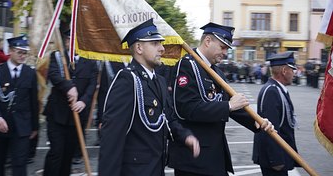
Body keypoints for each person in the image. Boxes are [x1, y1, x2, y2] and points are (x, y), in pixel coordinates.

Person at [168, 22, 274, 176]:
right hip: (193, 159)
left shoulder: (216, 71)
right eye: (222, 47)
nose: (225, 52)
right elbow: (186, 109)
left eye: (227, 48)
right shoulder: (186, 66)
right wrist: (228, 106)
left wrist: (256, 121)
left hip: (214, 156)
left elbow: (233, 104)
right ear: (208, 41)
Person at [99, 19, 200, 176]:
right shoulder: (127, 80)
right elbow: (111, 139)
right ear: (139, 48)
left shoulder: (158, 80)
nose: (162, 49)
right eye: (155, 43)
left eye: (160, 43)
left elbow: (168, 118)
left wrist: (186, 136)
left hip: (156, 168)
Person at [42, 30, 98, 176]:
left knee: (68, 154)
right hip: (57, 114)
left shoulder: (90, 59)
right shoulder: (58, 57)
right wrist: (69, 87)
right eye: (70, 40)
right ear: (66, 42)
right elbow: (53, 75)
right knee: (56, 152)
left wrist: (84, 102)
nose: (72, 44)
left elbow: (92, 84)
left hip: (77, 115)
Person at [0, 35, 39, 176]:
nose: (22, 56)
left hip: (22, 127)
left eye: (25, 53)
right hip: (1, 126)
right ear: (10, 51)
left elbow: (33, 101)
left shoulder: (30, 72)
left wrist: (35, 126)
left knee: (20, 164)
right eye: (19, 52)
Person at [253, 52, 299, 176]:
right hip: (273, 160)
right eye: (292, 69)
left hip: (280, 154)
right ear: (284, 70)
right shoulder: (271, 91)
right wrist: (276, 160)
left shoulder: (278, 89)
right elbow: (269, 129)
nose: (294, 73)